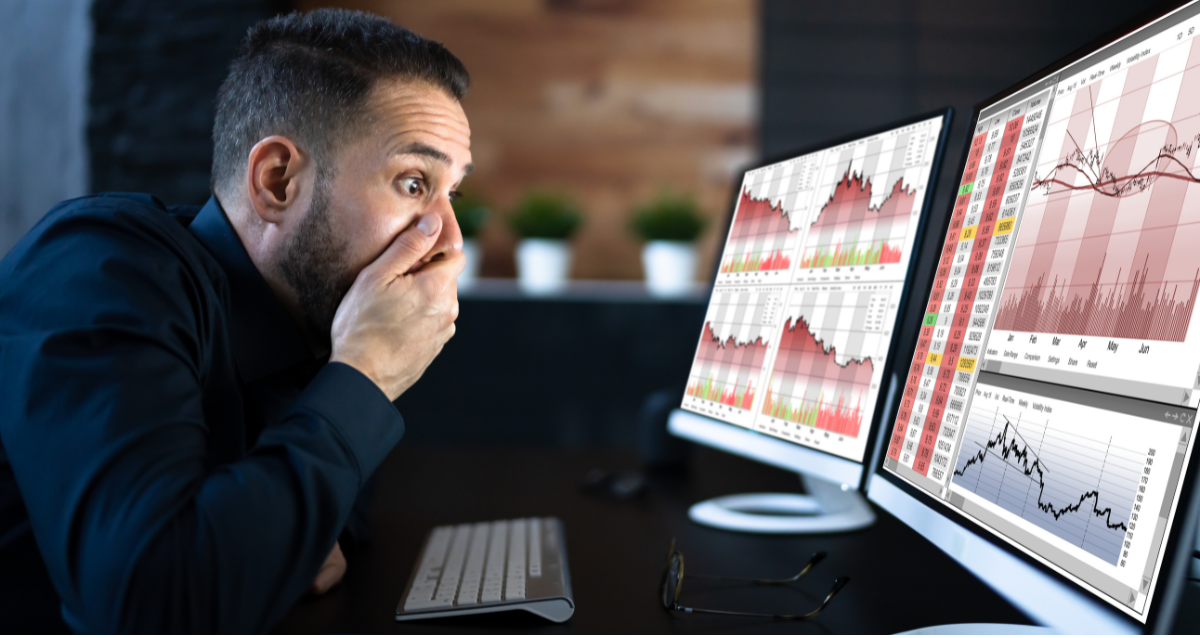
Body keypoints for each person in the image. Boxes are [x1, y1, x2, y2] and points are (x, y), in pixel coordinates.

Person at [0, 8, 471, 632]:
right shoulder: (95, 272)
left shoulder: (312, 313)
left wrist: (295, 538)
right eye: (413, 183)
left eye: (451, 193)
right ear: (277, 181)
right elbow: (145, 608)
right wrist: (367, 374)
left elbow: (343, 511)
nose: (449, 240)